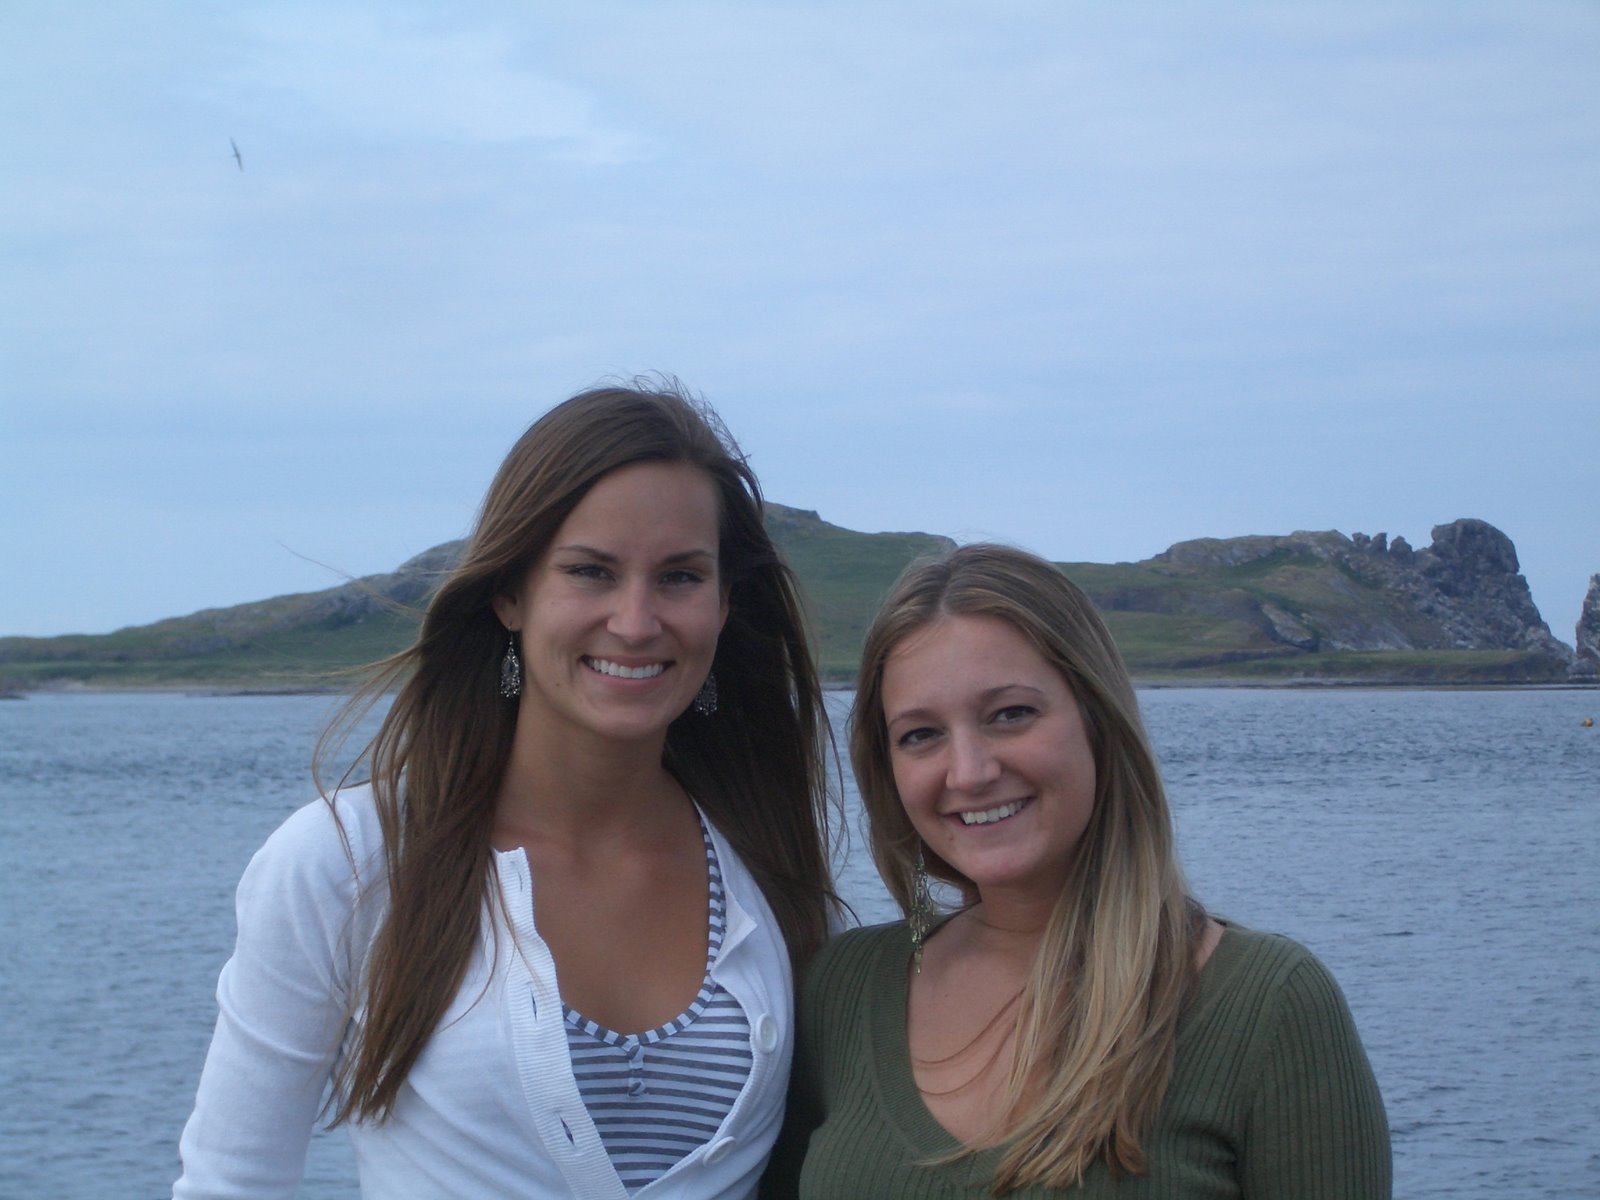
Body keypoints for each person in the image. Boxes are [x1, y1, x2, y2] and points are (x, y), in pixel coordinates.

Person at [175, 382, 838, 1198]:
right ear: (510, 593)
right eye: (590, 572)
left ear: (725, 603)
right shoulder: (349, 860)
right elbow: (232, 1182)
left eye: (680, 577)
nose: (636, 621)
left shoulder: (765, 866)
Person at [764, 544, 1390, 1198]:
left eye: (1011, 714)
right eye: (921, 734)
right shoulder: (841, 988)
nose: (969, 772)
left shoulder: (1269, 1004)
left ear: (1098, 720)